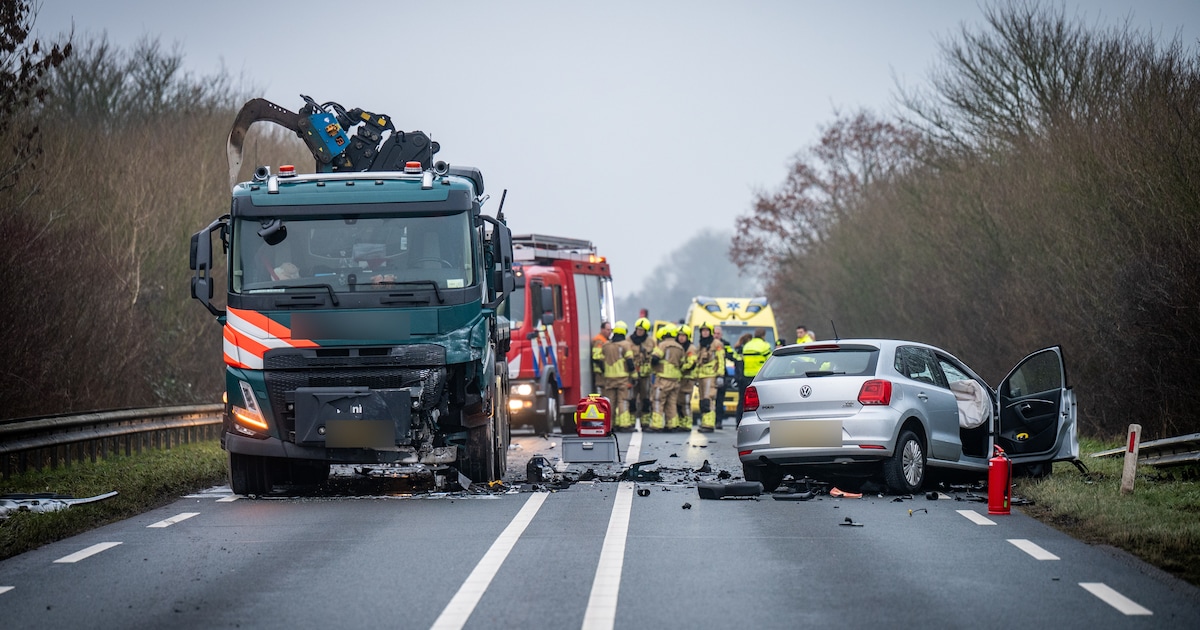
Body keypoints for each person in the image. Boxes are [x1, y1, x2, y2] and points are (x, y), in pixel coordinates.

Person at [594, 321, 636, 431]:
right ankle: (624, 424)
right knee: (622, 401)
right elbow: (630, 362)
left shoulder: (606, 345)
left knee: (609, 402)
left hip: (608, 378)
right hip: (622, 378)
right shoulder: (626, 345)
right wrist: (634, 375)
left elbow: (600, 361)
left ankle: (609, 425)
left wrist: (605, 372)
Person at [649, 324, 685, 432]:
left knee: (657, 401)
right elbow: (682, 363)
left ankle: (657, 425)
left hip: (663, 379)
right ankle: (672, 425)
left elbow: (655, 358)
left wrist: (654, 367)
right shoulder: (680, 347)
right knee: (672, 403)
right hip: (675, 380)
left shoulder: (663, 345)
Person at [736, 329, 773, 423]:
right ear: (763, 335)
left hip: (746, 375)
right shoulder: (765, 346)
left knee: (743, 400)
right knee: (761, 400)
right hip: (759, 377)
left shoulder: (747, 346)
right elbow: (770, 362)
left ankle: (739, 421)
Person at [694, 322, 725, 432]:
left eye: (707, 330)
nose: (705, 332)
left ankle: (709, 424)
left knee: (708, 400)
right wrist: (695, 376)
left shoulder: (716, 344)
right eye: (703, 331)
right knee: (702, 401)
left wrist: (720, 375)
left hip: (711, 375)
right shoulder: (701, 345)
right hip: (701, 376)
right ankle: (705, 422)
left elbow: (721, 360)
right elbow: (698, 361)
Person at [628, 317, 657, 430]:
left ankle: (645, 422)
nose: (639, 332)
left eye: (642, 330)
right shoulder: (629, 340)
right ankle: (631, 421)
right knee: (632, 399)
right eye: (638, 329)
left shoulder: (651, 342)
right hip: (632, 375)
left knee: (646, 399)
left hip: (645, 375)